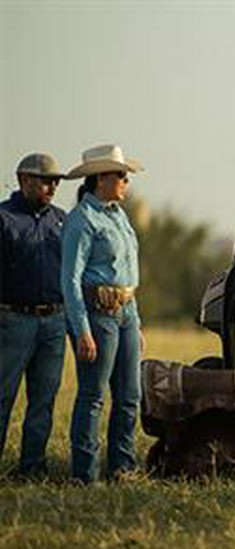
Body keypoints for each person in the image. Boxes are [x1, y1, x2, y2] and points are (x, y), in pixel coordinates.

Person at [61, 144, 145, 484]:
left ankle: (122, 467)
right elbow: (70, 280)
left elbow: (128, 273)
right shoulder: (81, 220)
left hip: (125, 312)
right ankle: (85, 473)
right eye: (121, 175)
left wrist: (136, 320)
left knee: (129, 396)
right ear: (101, 178)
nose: (126, 181)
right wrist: (81, 330)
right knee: (93, 395)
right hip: (97, 314)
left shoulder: (118, 215)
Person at [0, 153, 68, 479]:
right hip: (13, 320)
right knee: (3, 395)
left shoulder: (62, 219)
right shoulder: (3, 217)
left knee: (43, 399)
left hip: (54, 320)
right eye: (45, 180)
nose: (53, 186)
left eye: (56, 180)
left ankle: (32, 468)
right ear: (24, 179)